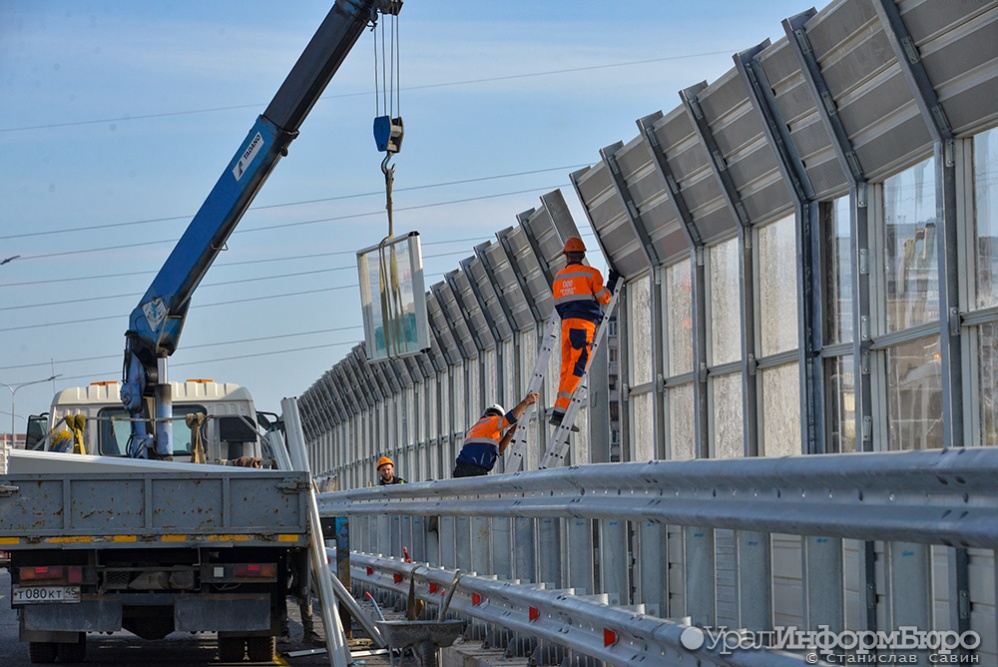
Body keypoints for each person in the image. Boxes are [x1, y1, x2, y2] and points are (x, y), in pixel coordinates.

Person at [549, 236, 618, 430]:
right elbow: (604, 298)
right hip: (583, 326)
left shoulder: (559, 278)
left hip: (567, 326)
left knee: (566, 369)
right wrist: (611, 283)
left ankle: (558, 411)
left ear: (566, 256)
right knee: (578, 367)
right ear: (582, 255)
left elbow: (558, 306)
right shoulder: (591, 274)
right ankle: (561, 411)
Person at [452, 392, 539, 477]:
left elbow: (499, 450)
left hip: (461, 469)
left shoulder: (477, 427)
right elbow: (510, 418)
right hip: (474, 471)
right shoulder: (492, 420)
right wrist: (526, 401)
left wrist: (511, 432)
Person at [280, 548, 325, 646]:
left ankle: (283, 631)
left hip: (289, 548)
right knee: (303, 590)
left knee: (284, 591)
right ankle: (307, 631)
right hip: (299, 546)